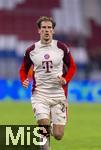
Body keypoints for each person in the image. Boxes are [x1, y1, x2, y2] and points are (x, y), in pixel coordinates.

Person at [19, 16, 76, 149]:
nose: (47, 30)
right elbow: (23, 69)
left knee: (58, 135)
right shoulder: (31, 50)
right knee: (43, 123)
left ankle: (45, 131)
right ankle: (43, 136)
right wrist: (24, 80)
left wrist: (65, 79)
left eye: (49, 28)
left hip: (58, 95)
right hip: (39, 94)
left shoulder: (61, 48)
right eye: (43, 27)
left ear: (53, 31)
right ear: (39, 30)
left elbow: (72, 66)